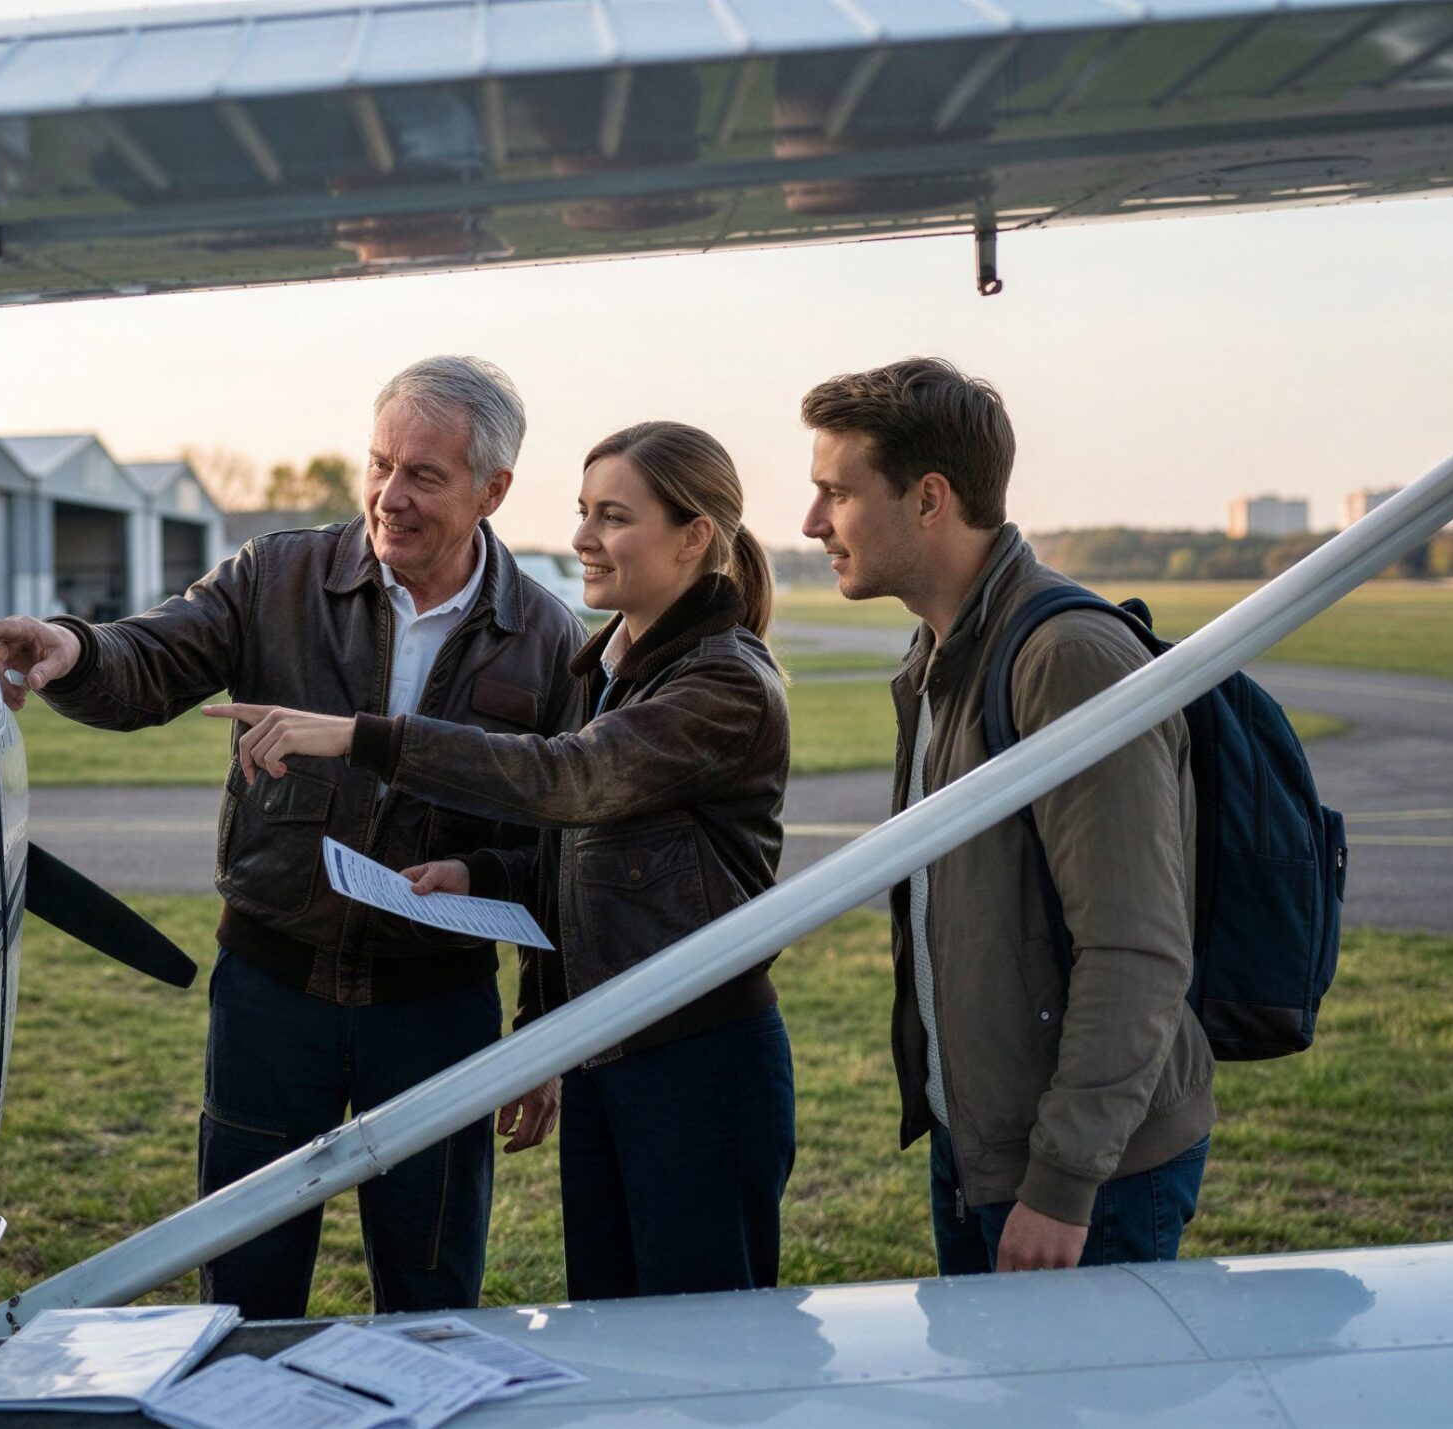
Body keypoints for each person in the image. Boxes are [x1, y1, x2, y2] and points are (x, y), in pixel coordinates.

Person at [0, 356, 583, 1320]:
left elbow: (558, 849)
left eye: (425, 474)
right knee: (247, 1291)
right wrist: (78, 649)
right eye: (380, 462)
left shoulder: (549, 639)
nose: (390, 495)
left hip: (437, 1012)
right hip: (271, 997)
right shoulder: (276, 574)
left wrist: (546, 1024)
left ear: (495, 490)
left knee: (433, 1296)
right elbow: (154, 654)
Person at [209, 420, 795, 1299]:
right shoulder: (620, 666)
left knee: (703, 1340)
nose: (582, 539)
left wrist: (360, 736)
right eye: (583, 512)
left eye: (614, 517)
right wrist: (483, 877)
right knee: (612, 1325)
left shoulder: (725, 682)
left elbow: (571, 778)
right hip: (610, 1046)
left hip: (693, 1062)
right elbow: (590, 852)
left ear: (693, 538)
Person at [799, 357, 1212, 1275]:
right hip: (985, 1149)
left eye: (836, 492)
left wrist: (1063, 1183)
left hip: (1088, 1176)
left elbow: (1135, 945)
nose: (812, 522)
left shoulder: (1064, 657)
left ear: (929, 498)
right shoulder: (941, 651)